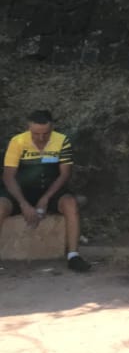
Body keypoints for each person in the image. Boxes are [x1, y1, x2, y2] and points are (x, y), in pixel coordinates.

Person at [0, 110, 91, 272]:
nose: (41, 138)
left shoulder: (62, 141)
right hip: (21, 191)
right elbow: (8, 177)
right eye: (36, 134)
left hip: (51, 189)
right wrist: (23, 204)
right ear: (29, 128)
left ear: (52, 128)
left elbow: (65, 174)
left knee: (70, 204)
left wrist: (46, 198)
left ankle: (73, 255)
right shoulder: (17, 141)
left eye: (45, 133)